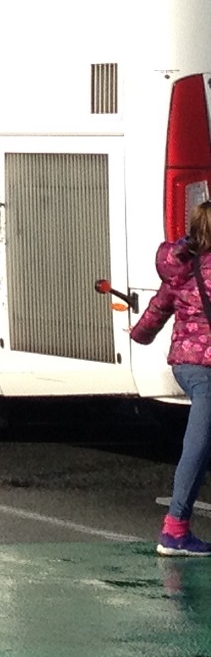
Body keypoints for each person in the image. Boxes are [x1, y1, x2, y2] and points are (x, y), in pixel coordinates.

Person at [132, 195, 211, 556]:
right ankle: (175, 530)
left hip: (184, 365)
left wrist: (140, 334)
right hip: (207, 370)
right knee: (197, 445)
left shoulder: (183, 268)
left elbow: (160, 305)